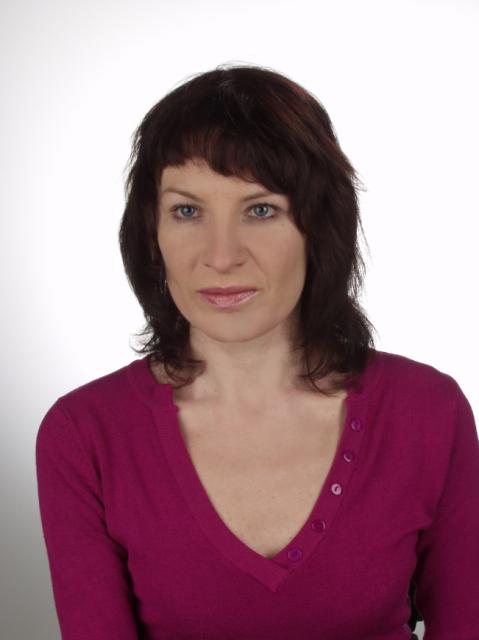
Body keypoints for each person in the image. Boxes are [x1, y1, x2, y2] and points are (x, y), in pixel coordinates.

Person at [35, 63, 479, 640]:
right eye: (187, 211)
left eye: (261, 209)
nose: (221, 256)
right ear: (151, 233)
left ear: (318, 227)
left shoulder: (428, 412)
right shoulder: (85, 435)